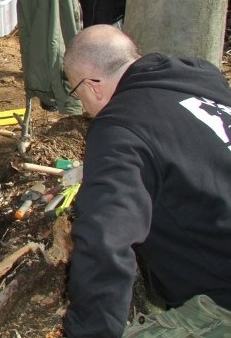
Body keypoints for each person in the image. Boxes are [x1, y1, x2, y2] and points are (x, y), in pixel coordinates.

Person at [62, 25, 231, 337]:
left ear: (93, 86)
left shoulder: (120, 126)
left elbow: (104, 241)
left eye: (77, 93)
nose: (84, 108)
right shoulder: (201, 78)